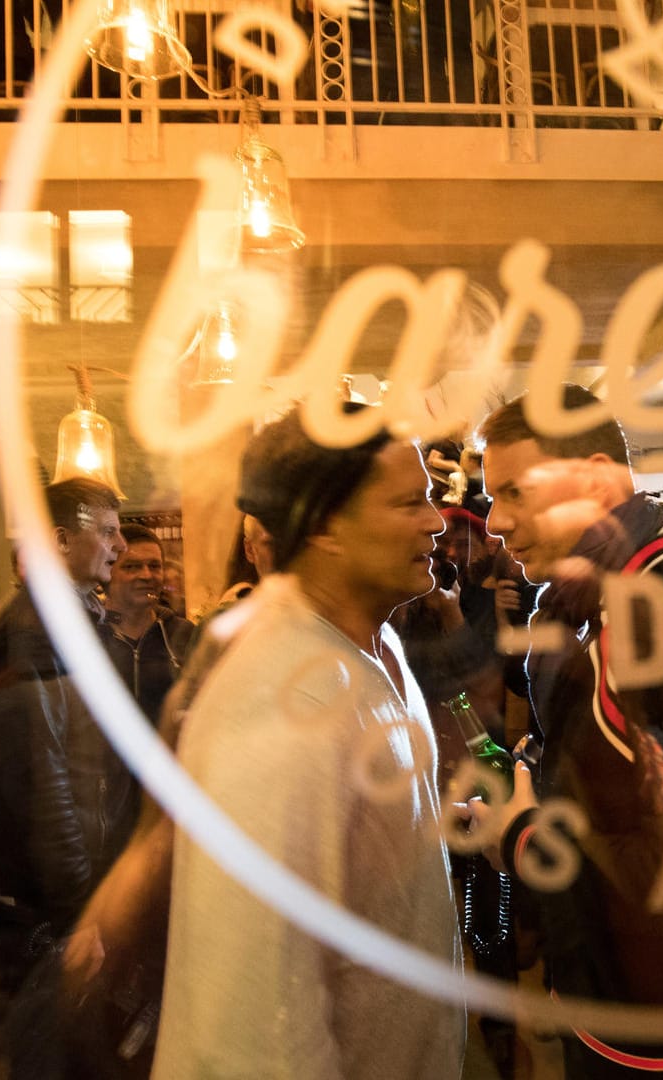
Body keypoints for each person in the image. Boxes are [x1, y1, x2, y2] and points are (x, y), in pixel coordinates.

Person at [474, 384, 663, 1078]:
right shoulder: (594, 600)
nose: (495, 520)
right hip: (626, 1000)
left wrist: (519, 837)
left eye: (516, 492)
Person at [152, 405, 464, 1078]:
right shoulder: (280, 705)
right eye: (410, 503)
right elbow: (254, 1020)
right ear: (326, 526)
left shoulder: (373, 646)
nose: (436, 522)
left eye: (431, 500)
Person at [0, 478, 132, 995]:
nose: (121, 547)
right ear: (60, 540)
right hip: (52, 898)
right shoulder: (33, 634)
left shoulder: (70, 622)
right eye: (107, 532)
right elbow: (44, 783)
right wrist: (77, 904)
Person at [103, 524, 196, 724]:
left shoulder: (183, 634)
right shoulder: (87, 636)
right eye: (131, 566)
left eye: (154, 566)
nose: (146, 575)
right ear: (107, 571)